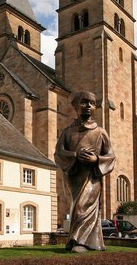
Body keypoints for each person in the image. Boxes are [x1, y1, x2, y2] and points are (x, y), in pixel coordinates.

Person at [54, 91, 116, 253]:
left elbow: (110, 156)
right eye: (84, 102)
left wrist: (96, 160)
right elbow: (58, 153)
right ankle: (89, 243)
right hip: (73, 177)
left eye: (92, 103)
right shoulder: (68, 132)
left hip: (92, 177)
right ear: (75, 106)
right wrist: (75, 155)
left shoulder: (100, 132)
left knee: (84, 207)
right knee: (76, 207)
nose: (88, 106)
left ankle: (78, 242)